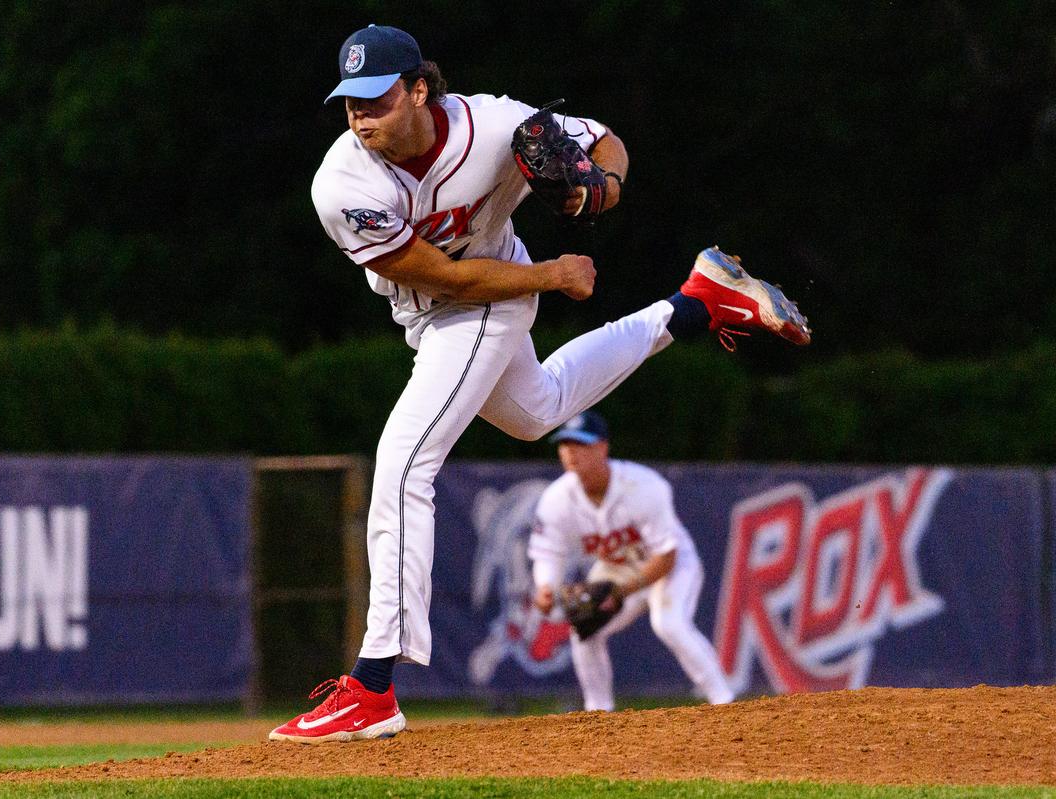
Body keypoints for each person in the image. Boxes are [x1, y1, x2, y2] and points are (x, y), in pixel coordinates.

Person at [269, 23, 807, 743]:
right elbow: (439, 273)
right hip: (448, 302)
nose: (361, 115)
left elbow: (605, 139)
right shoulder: (341, 184)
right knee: (538, 411)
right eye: (350, 102)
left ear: (420, 88)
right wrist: (550, 275)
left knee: (402, 464)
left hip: (485, 311)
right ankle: (699, 302)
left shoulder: (497, 126)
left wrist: (601, 191)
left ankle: (371, 686)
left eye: (378, 97)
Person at [529, 410, 735, 711]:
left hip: (670, 564)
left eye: (581, 444)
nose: (571, 452)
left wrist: (623, 591)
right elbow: (549, 553)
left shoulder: (643, 487)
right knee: (585, 628)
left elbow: (667, 554)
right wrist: (545, 586)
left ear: (602, 448)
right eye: (565, 445)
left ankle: (725, 703)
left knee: (669, 623)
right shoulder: (556, 500)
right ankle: (598, 712)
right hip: (619, 567)